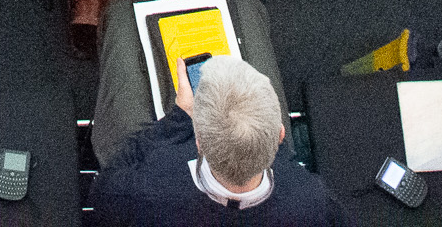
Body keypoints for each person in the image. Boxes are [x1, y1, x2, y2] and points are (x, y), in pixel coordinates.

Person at [91, 35, 337, 224]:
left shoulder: (150, 188)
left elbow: (102, 192)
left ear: (198, 142)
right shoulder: (312, 197)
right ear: (281, 134)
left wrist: (178, 120)